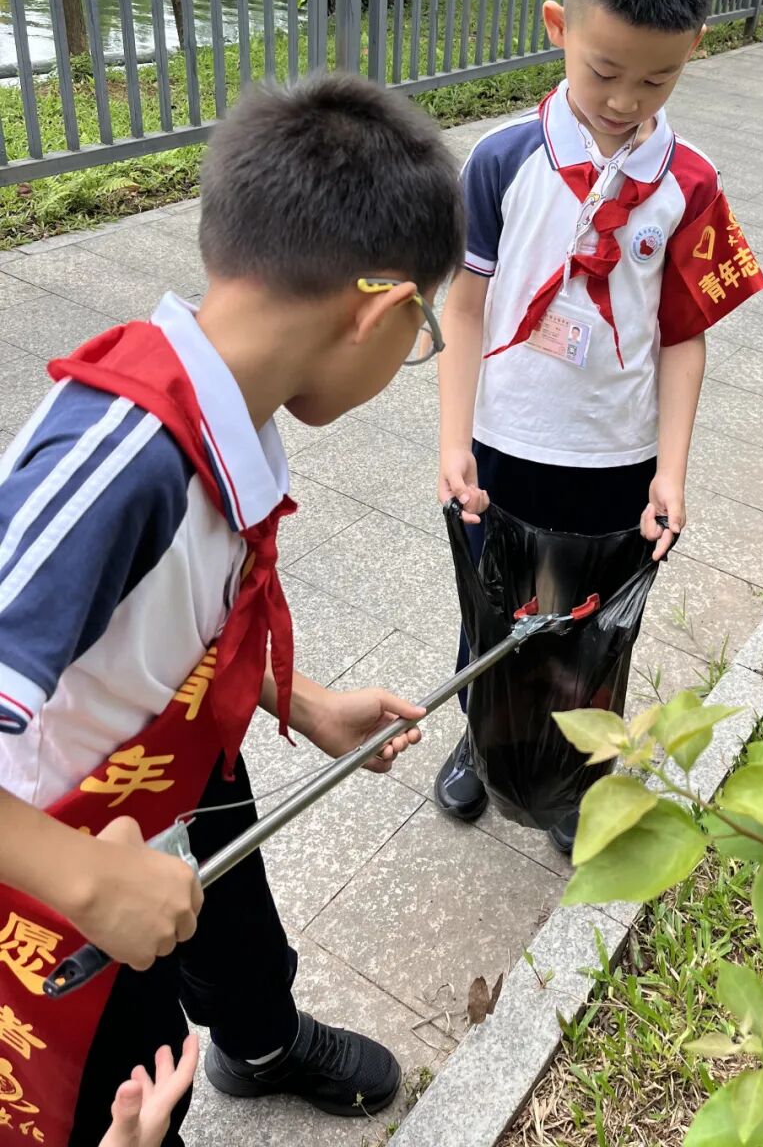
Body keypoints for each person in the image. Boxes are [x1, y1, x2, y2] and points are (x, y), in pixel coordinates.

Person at [0, 74, 464, 1145]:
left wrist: (303, 702)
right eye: (423, 331)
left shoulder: (226, 406)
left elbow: (172, 621)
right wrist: (87, 880)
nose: (414, 353)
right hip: (57, 849)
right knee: (130, 1081)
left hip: (173, 756)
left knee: (234, 927)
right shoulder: (118, 464)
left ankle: (260, 1042)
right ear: (380, 309)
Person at [435, 0, 763, 852]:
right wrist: (453, 440)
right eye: (605, 70)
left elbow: (683, 336)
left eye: (658, 79)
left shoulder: (690, 183)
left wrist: (671, 471)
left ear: (694, 49)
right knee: (494, 606)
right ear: (559, 26)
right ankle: (481, 738)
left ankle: (576, 775)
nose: (625, 101)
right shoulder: (501, 161)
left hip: (616, 458)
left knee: (589, 630)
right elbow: (465, 305)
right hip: (505, 444)